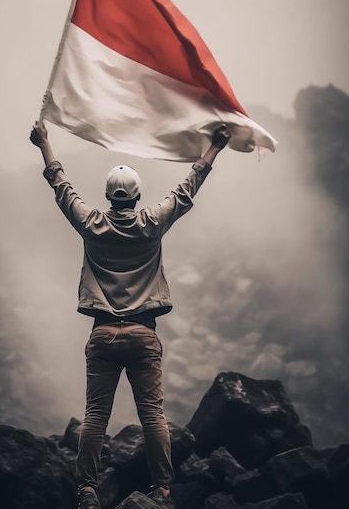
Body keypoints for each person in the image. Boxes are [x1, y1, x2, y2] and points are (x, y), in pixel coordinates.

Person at [30, 122, 231, 509]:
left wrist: (45, 144)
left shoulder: (91, 225)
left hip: (102, 335)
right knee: (153, 416)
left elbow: (61, 187)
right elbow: (188, 187)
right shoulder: (152, 224)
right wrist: (215, 148)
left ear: (108, 196)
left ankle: (87, 491)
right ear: (137, 198)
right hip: (143, 333)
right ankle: (162, 490)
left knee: (95, 417)